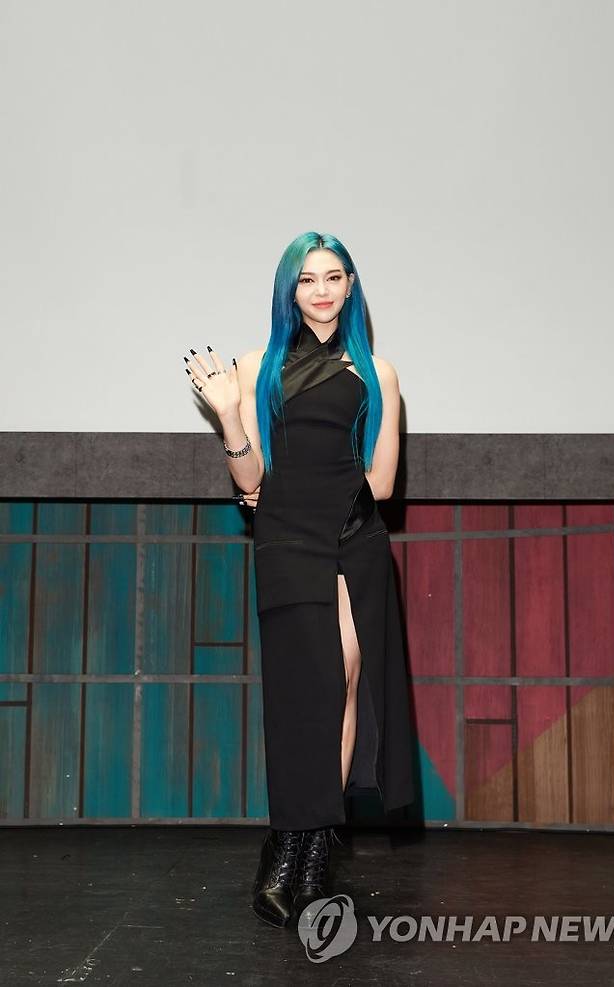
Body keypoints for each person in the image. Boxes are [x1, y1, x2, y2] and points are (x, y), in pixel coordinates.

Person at [184, 232, 415, 929]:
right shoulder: (257, 366)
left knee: (343, 681)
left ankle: (312, 856)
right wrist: (229, 414)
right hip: (287, 542)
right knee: (304, 697)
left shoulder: (378, 373)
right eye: (307, 278)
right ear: (290, 290)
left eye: (333, 276)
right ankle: (286, 845)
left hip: (353, 537)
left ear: (351, 286)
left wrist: (329, 497)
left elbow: (382, 483)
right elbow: (250, 478)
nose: (321, 290)